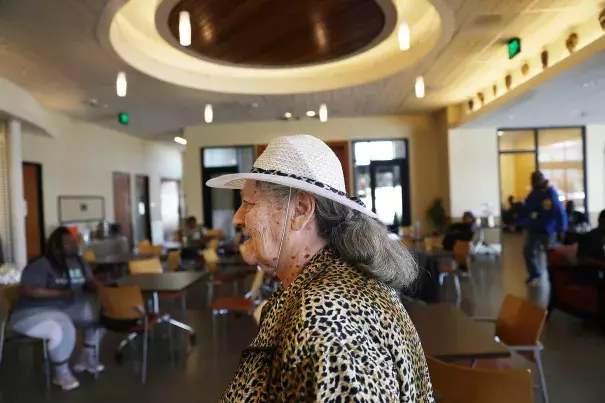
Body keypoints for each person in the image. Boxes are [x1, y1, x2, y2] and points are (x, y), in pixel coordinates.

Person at [206, 135, 433, 401]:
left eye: (249, 203)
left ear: (300, 210)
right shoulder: (329, 284)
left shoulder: (327, 321)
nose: (237, 218)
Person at [9, 227, 105, 391]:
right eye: (68, 243)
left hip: (65, 308)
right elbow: (29, 290)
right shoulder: (41, 264)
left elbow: (90, 281)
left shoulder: (79, 261)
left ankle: (87, 356)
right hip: (32, 312)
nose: (73, 246)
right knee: (62, 324)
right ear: (56, 247)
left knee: (103, 312)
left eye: (73, 242)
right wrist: (61, 293)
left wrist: (104, 291)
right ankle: (60, 373)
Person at [519, 171, 567, 286]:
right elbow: (527, 209)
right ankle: (535, 274)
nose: (533, 183)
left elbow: (558, 211)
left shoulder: (550, 193)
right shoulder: (533, 194)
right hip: (533, 228)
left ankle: (554, 276)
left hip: (547, 230)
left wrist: (562, 228)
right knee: (528, 252)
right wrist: (521, 221)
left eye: (534, 180)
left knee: (550, 254)